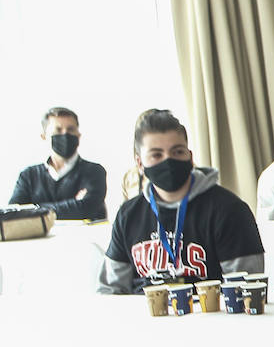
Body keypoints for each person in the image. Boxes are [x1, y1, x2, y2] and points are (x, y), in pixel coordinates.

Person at [98, 109, 264, 294]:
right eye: (156, 155)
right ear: (140, 164)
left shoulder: (230, 210)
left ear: (190, 157)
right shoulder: (128, 215)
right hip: (144, 317)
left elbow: (246, 291)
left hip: (211, 317)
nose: (168, 161)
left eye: (177, 152)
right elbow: (111, 291)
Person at [10, 107, 107, 220]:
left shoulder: (94, 171)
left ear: (79, 135)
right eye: (58, 130)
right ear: (44, 136)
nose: (65, 134)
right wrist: (73, 205)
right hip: (38, 237)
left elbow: (86, 209)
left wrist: (33, 208)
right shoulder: (28, 175)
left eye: (70, 129)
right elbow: (14, 213)